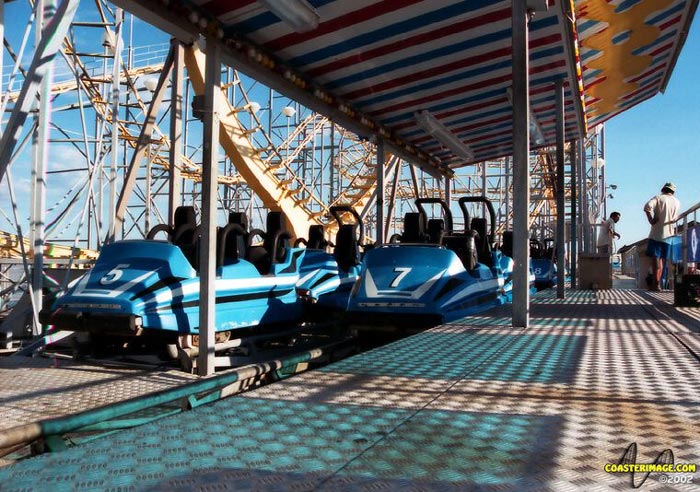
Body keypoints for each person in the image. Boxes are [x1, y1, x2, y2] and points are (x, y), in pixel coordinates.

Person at [644, 182, 680, 291]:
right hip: (669, 235)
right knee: (663, 261)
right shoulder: (677, 202)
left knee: (656, 259)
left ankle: (656, 284)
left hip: (657, 233)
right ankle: (659, 283)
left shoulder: (658, 198)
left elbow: (647, 207)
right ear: (673, 191)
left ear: (663, 189)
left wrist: (651, 220)